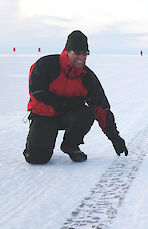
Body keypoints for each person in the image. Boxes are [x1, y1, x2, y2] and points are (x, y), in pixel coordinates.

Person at [23, 30, 128, 164]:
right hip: (44, 116)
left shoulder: (87, 77)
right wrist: (67, 104)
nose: (81, 57)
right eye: (77, 53)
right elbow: (37, 95)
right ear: (67, 51)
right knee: (36, 158)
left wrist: (114, 137)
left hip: (67, 117)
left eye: (85, 54)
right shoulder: (45, 65)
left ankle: (71, 145)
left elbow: (102, 108)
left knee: (88, 112)